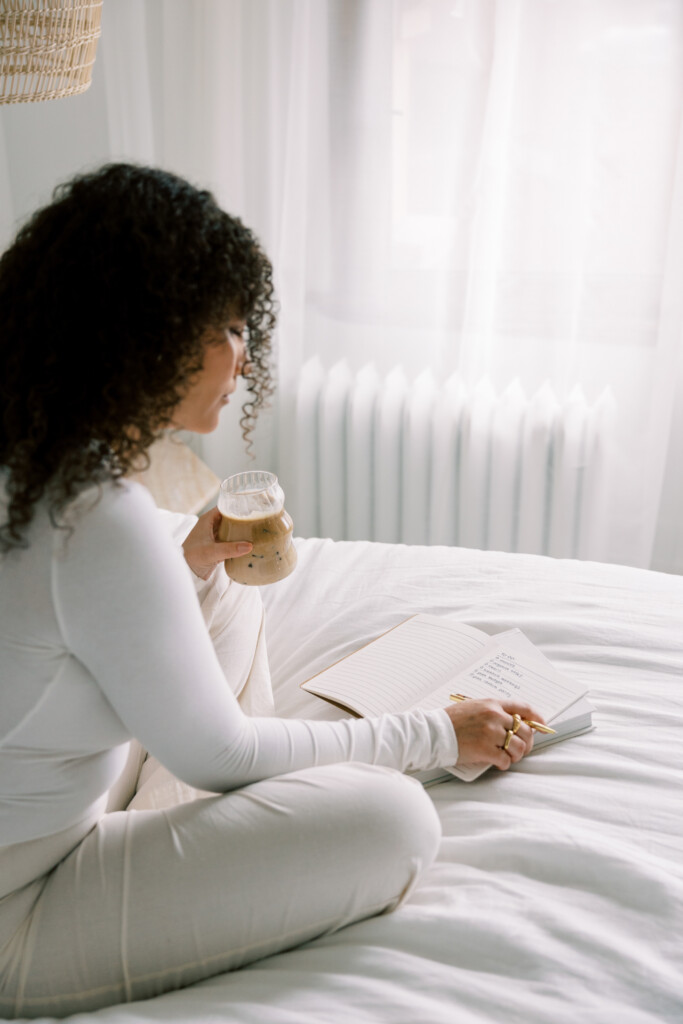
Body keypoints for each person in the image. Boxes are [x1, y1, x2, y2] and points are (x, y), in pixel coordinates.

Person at [0, 163, 542, 1018]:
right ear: (144, 333)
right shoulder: (93, 515)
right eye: (225, 326)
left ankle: (170, 826)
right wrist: (440, 732)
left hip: (41, 801)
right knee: (395, 820)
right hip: (17, 904)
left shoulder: (38, 464)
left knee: (221, 587)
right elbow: (221, 757)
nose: (243, 354)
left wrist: (179, 568)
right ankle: (176, 834)